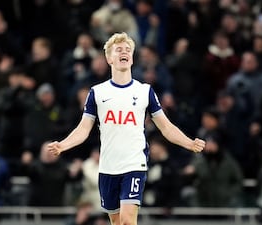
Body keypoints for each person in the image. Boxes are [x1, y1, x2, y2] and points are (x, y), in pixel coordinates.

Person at [47, 32, 205, 225]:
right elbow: (83, 129)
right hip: (108, 167)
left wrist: (189, 143)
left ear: (132, 58)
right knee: (116, 222)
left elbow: (165, 126)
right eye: (119, 49)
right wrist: (63, 145)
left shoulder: (144, 91)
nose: (124, 52)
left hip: (134, 164)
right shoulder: (97, 93)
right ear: (109, 58)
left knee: (128, 221)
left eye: (128, 50)